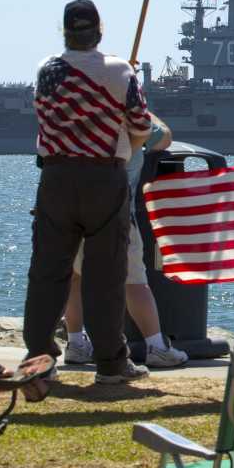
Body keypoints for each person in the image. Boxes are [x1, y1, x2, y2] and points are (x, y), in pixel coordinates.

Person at [23, 0, 152, 385]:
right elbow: (142, 124)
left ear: (65, 31)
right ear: (99, 30)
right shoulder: (120, 71)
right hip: (104, 179)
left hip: (56, 178)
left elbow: (45, 114)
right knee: (107, 274)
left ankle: (38, 359)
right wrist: (126, 141)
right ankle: (111, 363)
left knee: (48, 271)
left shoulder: (46, 69)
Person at [63, 114, 188, 369]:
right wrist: (145, 107)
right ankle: (157, 347)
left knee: (74, 279)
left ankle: (75, 344)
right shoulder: (124, 108)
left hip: (71, 208)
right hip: (116, 212)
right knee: (135, 282)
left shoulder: (78, 112)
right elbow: (163, 137)